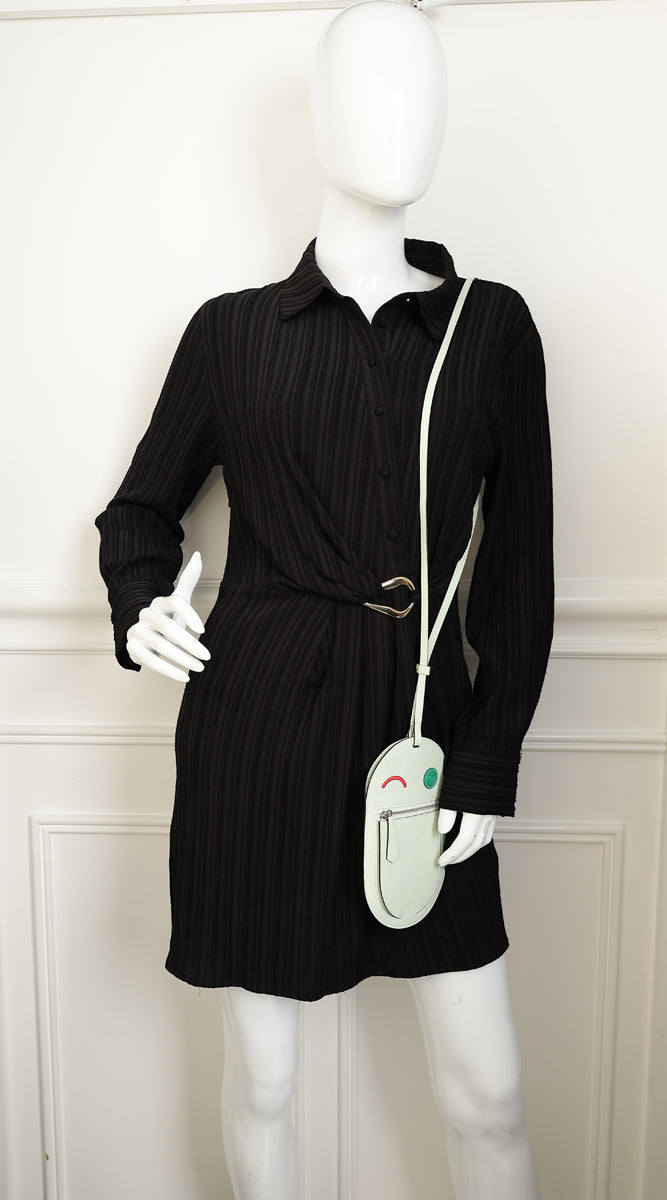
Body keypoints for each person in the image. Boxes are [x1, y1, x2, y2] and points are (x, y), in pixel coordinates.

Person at [95, 3, 553, 1196]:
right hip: (259, 727)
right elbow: (138, 512)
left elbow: (518, 563)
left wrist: (489, 756)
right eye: (368, 88)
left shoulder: (489, 328)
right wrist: (143, 606)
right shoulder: (232, 333)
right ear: (318, 115)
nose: (401, 120)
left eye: (422, 91)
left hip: (422, 730)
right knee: (264, 1078)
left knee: (490, 1092)